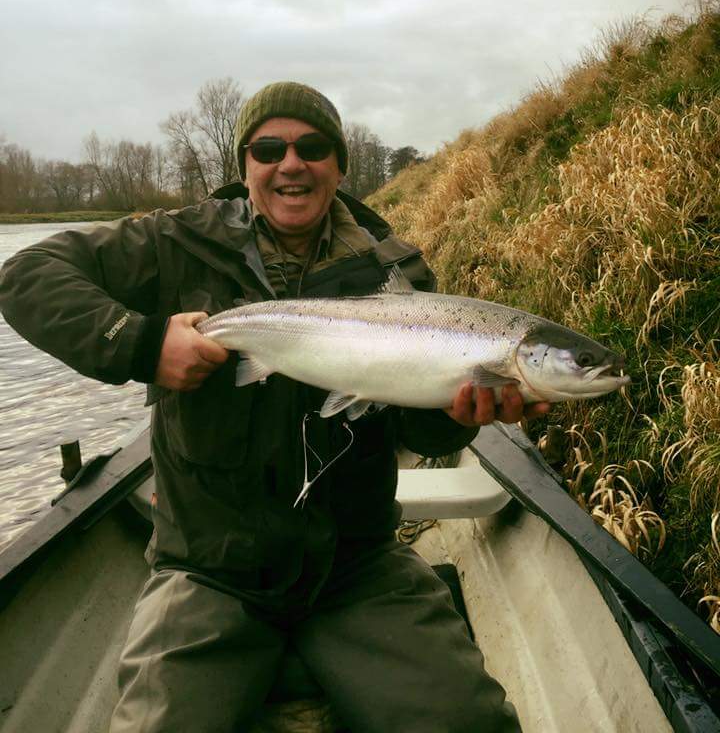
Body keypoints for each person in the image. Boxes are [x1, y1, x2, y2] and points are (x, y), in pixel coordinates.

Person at [0, 82, 548, 732]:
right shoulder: (174, 242)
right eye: (269, 148)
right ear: (247, 166)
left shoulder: (395, 274)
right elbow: (26, 277)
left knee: (470, 725)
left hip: (357, 566)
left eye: (313, 147)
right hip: (208, 568)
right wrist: (144, 345)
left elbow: (420, 430)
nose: (291, 163)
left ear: (339, 166)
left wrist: (455, 415)